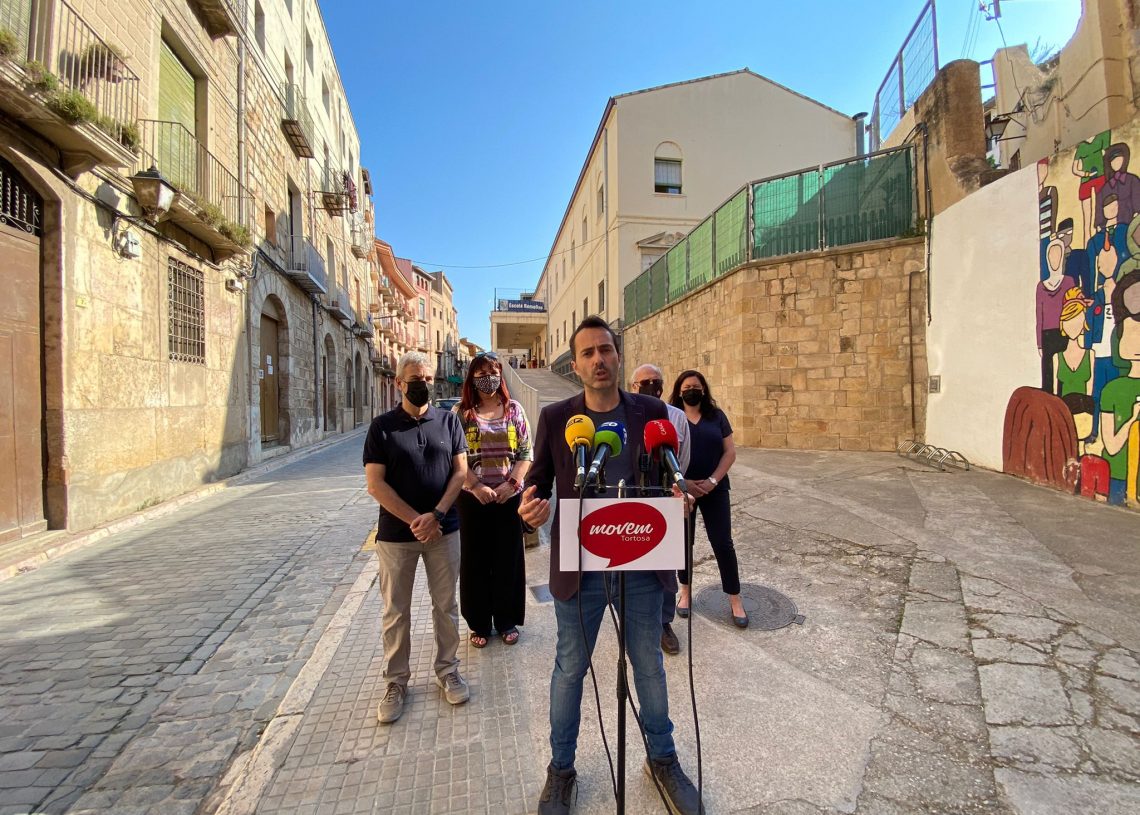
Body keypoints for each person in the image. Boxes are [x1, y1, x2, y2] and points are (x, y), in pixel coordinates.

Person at [520, 317, 701, 815]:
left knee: (648, 666)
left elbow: (670, 471)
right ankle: (561, 771)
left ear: (618, 355)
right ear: (575, 364)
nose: (599, 360)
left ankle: (662, 760)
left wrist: (677, 495)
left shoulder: (650, 412)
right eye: (588, 353)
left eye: (606, 350)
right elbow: (536, 480)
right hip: (580, 568)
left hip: (642, 564)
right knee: (570, 669)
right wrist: (529, 506)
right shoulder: (558, 418)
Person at [363, 351, 470, 724]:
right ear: (398, 383)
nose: (421, 384)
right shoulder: (381, 427)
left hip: (445, 529)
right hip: (396, 535)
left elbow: (460, 473)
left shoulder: (449, 421)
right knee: (396, 611)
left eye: (426, 377)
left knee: (445, 605)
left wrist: (437, 514)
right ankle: (396, 681)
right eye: (414, 378)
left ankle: (448, 670)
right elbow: (375, 485)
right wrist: (415, 520)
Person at [455, 351, 533, 648]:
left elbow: (526, 452)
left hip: (507, 499)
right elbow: (456, 458)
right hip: (472, 501)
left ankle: (506, 619)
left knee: (507, 560)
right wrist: (474, 486)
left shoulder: (514, 410)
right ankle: (478, 623)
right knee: (474, 562)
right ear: (472, 379)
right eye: (482, 373)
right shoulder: (462, 414)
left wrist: (511, 484)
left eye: (494, 371)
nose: (489, 378)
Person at [669, 370, 746, 628]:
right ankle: (685, 593)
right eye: (687, 386)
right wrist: (684, 483)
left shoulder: (717, 416)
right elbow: (665, 455)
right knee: (683, 544)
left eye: (697, 386)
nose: (692, 390)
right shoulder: (673, 417)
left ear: (704, 389)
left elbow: (730, 452)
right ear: (680, 391)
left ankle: (735, 599)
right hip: (683, 489)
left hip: (716, 488)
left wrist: (713, 481)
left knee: (723, 543)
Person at [630, 363, 691, 656]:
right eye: (644, 382)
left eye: (656, 381)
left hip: (666, 500)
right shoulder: (626, 416)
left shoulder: (677, 417)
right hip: (632, 500)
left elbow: (685, 457)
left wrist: (677, 489)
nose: (651, 385)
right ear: (633, 386)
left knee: (665, 566)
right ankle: (634, 621)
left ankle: (664, 624)